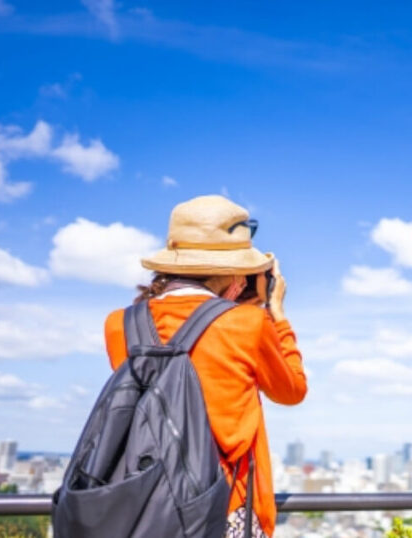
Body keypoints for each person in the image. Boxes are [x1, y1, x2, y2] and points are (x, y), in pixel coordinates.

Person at [102, 195, 307, 538]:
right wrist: (277, 315)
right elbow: (292, 390)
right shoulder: (249, 323)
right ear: (237, 273)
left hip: (143, 505)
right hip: (225, 507)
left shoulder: (119, 324)